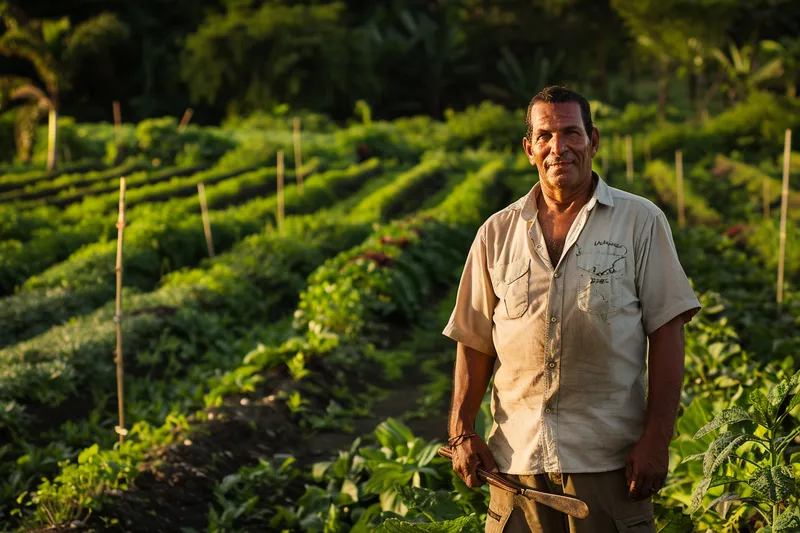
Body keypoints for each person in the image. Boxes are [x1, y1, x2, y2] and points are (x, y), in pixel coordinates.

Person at [442, 86, 701, 533]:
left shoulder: (640, 222)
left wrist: (658, 439)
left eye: (570, 133)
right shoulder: (496, 233)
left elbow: (667, 333)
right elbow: (474, 339)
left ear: (593, 140)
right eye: (544, 136)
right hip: (515, 469)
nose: (558, 148)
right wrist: (462, 431)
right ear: (529, 148)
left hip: (608, 468)